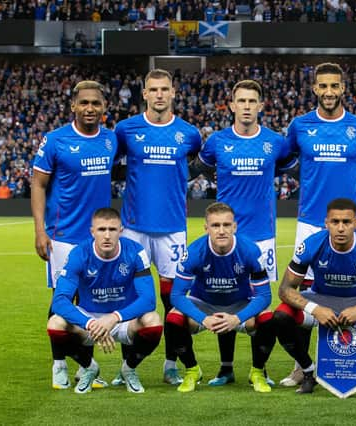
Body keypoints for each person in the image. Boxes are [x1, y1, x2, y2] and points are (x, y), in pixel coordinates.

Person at [280, 62, 356, 386]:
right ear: (314, 89)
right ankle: (301, 367)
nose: (328, 92)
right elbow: (285, 160)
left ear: (343, 88)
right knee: (305, 295)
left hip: (353, 222)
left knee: (355, 288)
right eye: (322, 86)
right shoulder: (299, 126)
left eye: (334, 86)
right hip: (311, 221)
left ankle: (350, 360)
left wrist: (353, 172)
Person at [192, 80, 296, 385]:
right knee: (225, 298)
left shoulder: (276, 142)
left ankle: (258, 369)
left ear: (261, 106)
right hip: (226, 235)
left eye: (253, 101)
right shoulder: (216, 142)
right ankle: (225, 368)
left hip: (262, 233)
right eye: (242, 101)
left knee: (256, 301)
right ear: (232, 106)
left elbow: (289, 169)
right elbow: (199, 168)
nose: (247, 106)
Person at [114, 68, 203, 386]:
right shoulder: (126, 130)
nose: (160, 95)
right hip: (134, 227)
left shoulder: (189, 133)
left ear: (174, 93)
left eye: (165, 89)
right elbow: (114, 166)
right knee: (131, 299)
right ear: (145, 94)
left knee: (172, 300)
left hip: (173, 228)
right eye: (154, 89)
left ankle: (171, 364)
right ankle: (128, 367)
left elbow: (196, 164)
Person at [269, 198, 356, 394]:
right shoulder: (311, 245)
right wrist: (315, 309)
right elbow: (285, 290)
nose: (341, 228)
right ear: (326, 223)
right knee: (281, 317)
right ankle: (308, 371)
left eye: (347, 222)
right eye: (335, 222)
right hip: (321, 299)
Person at [31, 80, 117, 390]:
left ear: (104, 107)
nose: (90, 108)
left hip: (96, 238)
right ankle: (59, 367)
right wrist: (40, 231)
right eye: (84, 103)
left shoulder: (110, 140)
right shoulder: (55, 140)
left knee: (90, 304)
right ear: (73, 106)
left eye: (96, 103)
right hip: (63, 236)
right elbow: (38, 184)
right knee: (62, 301)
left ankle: (85, 371)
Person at [47, 208, 163, 394]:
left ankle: (129, 369)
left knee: (153, 320)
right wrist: (90, 322)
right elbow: (60, 301)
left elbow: (149, 300)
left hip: (123, 320)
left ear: (121, 230)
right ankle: (89, 366)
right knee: (55, 323)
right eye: (101, 230)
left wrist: (114, 317)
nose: (107, 235)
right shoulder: (79, 254)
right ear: (92, 231)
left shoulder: (135, 251)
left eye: (112, 229)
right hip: (89, 322)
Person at [167, 202, 274, 393]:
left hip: (240, 304)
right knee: (173, 317)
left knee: (267, 317)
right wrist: (203, 318)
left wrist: (237, 318)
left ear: (235, 227)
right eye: (215, 225)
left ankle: (257, 372)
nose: (221, 230)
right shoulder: (194, 252)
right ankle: (192, 370)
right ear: (206, 228)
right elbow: (176, 295)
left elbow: (264, 296)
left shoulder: (251, 251)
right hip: (204, 304)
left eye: (226, 225)